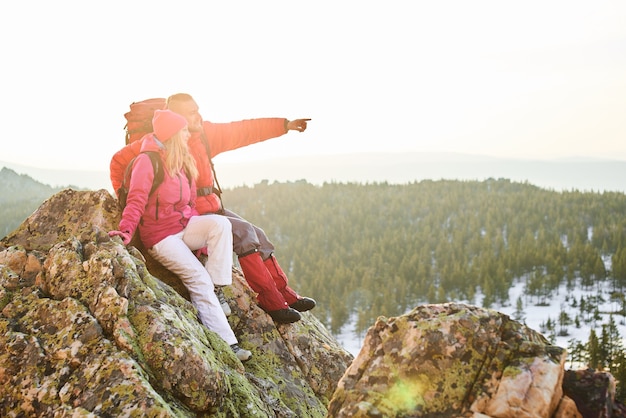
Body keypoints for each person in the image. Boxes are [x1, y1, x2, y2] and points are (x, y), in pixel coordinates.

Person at [108, 109, 252, 362]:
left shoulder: (182, 161)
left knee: (220, 224)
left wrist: (198, 231)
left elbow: (188, 204)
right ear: (173, 134)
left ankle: (216, 286)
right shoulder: (148, 161)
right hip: (161, 237)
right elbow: (137, 199)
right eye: (184, 130)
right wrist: (126, 230)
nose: (189, 133)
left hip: (183, 227)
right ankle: (228, 344)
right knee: (197, 279)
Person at [165, 93, 316, 324]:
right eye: (192, 112)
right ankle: (271, 301)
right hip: (191, 216)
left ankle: (285, 294)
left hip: (212, 208)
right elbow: (124, 165)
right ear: (176, 117)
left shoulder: (204, 135)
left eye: (198, 109)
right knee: (245, 234)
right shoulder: (165, 144)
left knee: (259, 235)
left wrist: (284, 125)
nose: (199, 115)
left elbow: (243, 131)